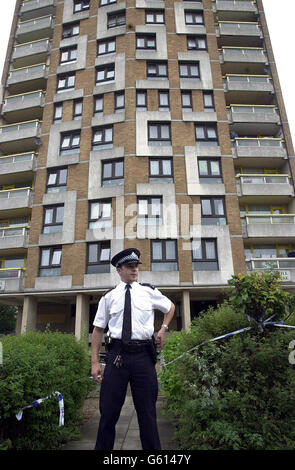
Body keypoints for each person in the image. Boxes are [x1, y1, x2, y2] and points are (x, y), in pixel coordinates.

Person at [91, 248, 175, 451]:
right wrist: (94, 362)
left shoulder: (148, 292)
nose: (134, 270)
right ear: (119, 270)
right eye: (130, 267)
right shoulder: (109, 296)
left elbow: (170, 307)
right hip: (116, 356)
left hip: (143, 357)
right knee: (108, 413)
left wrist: (163, 330)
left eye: (136, 266)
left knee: (147, 413)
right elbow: (98, 329)